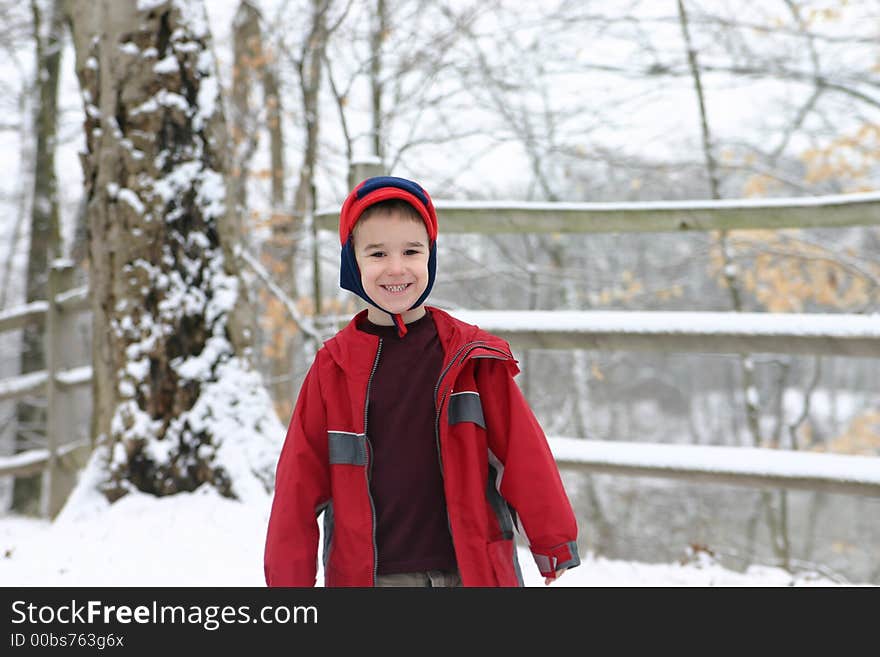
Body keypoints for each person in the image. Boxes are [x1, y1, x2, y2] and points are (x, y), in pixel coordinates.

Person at [263, 176, 580, 587]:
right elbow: (297, 487)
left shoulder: (471, 357)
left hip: (473, 573)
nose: (396, 268)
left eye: (411, 251)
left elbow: (524, 452)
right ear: (352, 262)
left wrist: (552, 539)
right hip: (374, 580)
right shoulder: (333, 368)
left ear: (430, 256)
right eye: (377, 253)